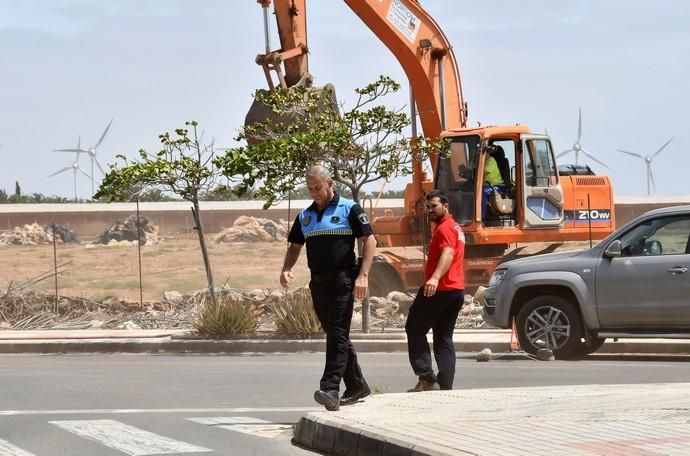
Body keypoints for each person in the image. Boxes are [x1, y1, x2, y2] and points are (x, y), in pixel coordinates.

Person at [280, 165, 377, 411]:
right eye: (310, 189)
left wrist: (363, 275)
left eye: (318, 188)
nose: (314, 192)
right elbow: (294, 246)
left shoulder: (349, 209)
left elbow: (370, 240)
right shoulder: (305, 215)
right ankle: (357, 385)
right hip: (318, 282)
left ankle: (330, 388)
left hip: (343, 279)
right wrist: (286, 268)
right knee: (337, 335)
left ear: (330, 182)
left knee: (336, 333)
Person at [405, 190, 465, 391]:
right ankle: (446, 386)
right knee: (443, 337)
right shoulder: (455, 227)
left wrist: (435, 278)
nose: (429, 210)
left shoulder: (445, 229)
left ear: (445, 206)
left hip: (439, 290)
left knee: (414, 328)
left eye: (434, 206)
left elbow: (448, 253)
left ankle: (426, 377)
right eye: (427, 207)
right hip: (456, 290)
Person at [481, 148, 505, 221]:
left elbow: (483, 172)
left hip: (495, 186)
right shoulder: (484, 162)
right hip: (488, 185)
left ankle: (482, 217)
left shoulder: (490, 160)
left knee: (482, 193)